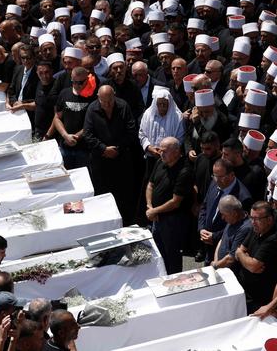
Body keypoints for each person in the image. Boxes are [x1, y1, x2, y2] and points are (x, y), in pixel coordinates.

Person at [83, 85, 136, 223]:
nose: (107, 105)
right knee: (102, 195)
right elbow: (88, 134)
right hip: (100, 161)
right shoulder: (92, 109)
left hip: (121, 159)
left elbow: (131, 131)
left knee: (123, 195)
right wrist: (103, 149)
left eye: (110, 101)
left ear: (114, 96)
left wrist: (117, 148)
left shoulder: (123, 106)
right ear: (98, 98)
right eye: (104, 102)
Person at [145, 136, 194, 274]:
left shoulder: (184, 171)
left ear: (177, 151)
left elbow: (175, 202)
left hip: (173, 221)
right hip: (157, 218)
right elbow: (150, 185)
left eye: (165, 151)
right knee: (159, 253)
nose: (161, 153)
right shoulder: (160, 163)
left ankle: (175, 283)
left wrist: (155, 211)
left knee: (172, 255)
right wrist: (150, 206)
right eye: (160, 150)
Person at [236, 201, 277, 314]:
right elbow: (238, 251)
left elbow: (253, 266)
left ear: (269, 219)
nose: (253, 222)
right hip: (244, 291)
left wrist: (244, 256)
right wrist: (244, 257)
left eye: (257, 219)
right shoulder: (255, 230)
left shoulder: (272, 239)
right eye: (251, 218)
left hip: (259, 298)